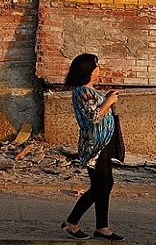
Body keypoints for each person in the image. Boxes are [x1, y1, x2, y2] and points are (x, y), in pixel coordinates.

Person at [61, 53, 124, 241]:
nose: (99, 68)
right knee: (99, 187)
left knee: (105, 184)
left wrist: (106, 99)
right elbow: (94, 117)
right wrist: (109, 101)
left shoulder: (89, 91)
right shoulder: (82, 91)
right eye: (96, 65)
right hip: (94, 146)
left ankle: (102, 227)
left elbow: (96, 111)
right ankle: (71, 223)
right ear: (88, 70)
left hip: (103, 143)